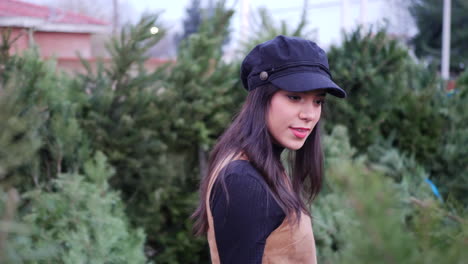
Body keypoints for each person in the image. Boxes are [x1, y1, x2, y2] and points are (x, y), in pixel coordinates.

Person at [191, 35, 347, 263]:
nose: (309, 114)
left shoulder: (261, 166)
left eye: (318, 101)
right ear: (261, 98)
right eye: (295, 97)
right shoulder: (243, 180)